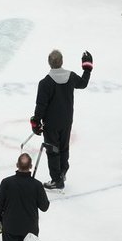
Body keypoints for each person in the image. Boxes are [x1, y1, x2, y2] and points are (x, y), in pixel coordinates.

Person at [30, 49, 92, 190]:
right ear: (62, 61)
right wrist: (87, 68)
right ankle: (62, 172)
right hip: (66, 121)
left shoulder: (45, 83)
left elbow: (41, 105)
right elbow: (83, 83)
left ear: (49, 63)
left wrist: (35, 122)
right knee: (64, 147)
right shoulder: (70, 76)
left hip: (51, 124)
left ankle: (57, 179)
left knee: (53, 151)